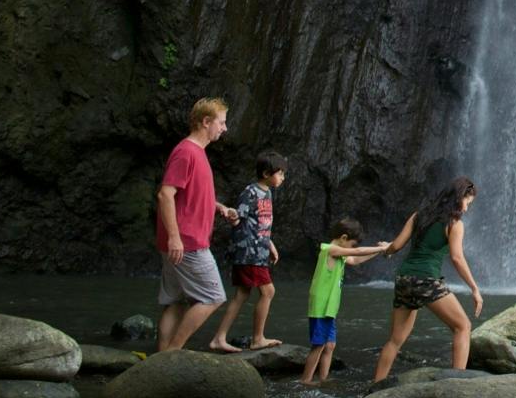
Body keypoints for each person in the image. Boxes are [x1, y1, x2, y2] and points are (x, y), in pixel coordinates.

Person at [370, 176, 485, 382]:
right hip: (426, 280)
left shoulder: (418, 216)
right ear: (459, 197)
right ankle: (456, 383)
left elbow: (396, 246)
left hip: (404, 279)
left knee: (395, 340)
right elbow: (457, 258)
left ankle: (375, 386)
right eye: (467, 202)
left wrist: (385, 249)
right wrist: (475, 289)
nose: (467, 208)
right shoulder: (454, 223)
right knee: (463, 327)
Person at [155, 97, 241, 352]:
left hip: (180, 241)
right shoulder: (186, 152)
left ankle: (160, 360)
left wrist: (220, 208)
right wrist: (174, 237)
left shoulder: (197, 153)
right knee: (213, 297)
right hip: (187, 242)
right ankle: (173, 353)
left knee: (176, 301)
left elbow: (191, 194)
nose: (224, 128)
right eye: (221, 122)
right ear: (206, 122)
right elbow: (165, 194)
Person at [208, 152, 287, 353]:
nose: (283, 178)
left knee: (242, 294)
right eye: (280, 173)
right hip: (248, 252)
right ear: (266, 173)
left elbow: (261, 223)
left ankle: (219, 337)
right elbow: (238, 219)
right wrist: (231, 214)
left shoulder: (267, 193)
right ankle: (257, 338)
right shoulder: (250, 192)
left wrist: (270, 245)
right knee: (268, 291)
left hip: (259, 251)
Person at [299, 217, 390, 386]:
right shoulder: (330, 249)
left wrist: (379, 251)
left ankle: (323, 379)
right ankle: (306, 380)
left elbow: (355, 260)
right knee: (318, 345)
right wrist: (383, 247)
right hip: (321, 305)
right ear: (343, 238)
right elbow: (356, 253)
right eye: (352, 244)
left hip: (330, 307)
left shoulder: (340, 253)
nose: (353, 248)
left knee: (330, 345)